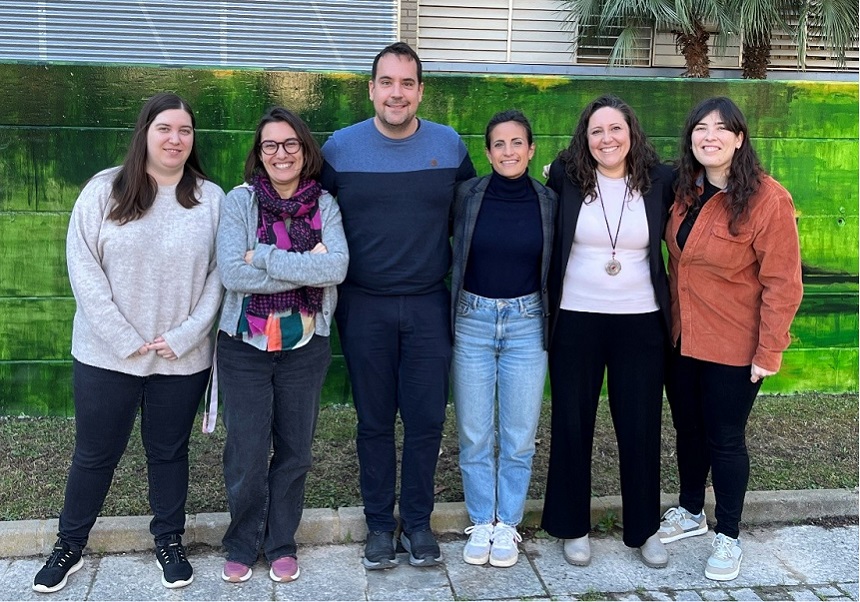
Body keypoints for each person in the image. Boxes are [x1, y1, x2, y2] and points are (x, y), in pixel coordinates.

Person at [32, 93, 224, 593]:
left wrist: (185, 336)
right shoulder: (104, 190)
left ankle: (169, 540)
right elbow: (83, 267)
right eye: (165, 128)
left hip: (180, 359)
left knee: (169, 453)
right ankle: (69, 545)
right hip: (105, 355)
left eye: (185, 130)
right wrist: (123, 337)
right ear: (145, 132)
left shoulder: (211, 199)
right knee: (94, 455)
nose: (175, 139)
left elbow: (219, 276)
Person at [320, 41, 476, 569]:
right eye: (387, 82)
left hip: (430, 304)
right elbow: (313, 216)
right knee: (374, 421)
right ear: (371, 89)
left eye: (407, 83)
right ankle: (380, 527)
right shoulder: (339, 150)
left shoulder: (449, 146)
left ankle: (418, 523)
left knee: (427, 420)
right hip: (363, 306)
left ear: (420, 91)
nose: (397, 93)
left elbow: (470, 217)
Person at [657, 96, 802, 581]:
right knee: (688, 430)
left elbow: (783, 283)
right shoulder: (685, 190)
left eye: (721, 128)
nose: (710, 136)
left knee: (724, 438)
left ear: (739, 138)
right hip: (682, 338)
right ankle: (690, 511)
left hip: (734, 345)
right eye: (701, 127)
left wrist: (769, 351)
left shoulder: (768, 199)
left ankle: (729, 535)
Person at [540, 94, 674, 569]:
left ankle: (644, 529)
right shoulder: (566, 176)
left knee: (640, 426)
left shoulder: (661, 180)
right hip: (576, 318)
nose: (607, 139)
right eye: (596, 131)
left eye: (615, 128)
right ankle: (572, 526)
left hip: (640, 321)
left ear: (631, 132)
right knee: (572, 422)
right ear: (585, 137)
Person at [215, 106, 348, 584]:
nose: (281, 153)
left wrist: (265, 256)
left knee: (295, 452)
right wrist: (304, 262)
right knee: (247, 452)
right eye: (270, 145)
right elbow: (233, 273)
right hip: (244, 347)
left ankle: (281, 543)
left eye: (290, 143)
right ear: (259, 153)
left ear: (305, 150)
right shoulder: (240, 202)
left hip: (305, 348)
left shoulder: (324, 204)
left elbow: (336, 268)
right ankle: (242, 542)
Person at [450, 110, 556, 568]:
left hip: (527, 322)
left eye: (517, 143)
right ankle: (481, 520)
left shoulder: (549, 201)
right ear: (487, 151)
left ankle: (507, 522)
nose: (508, 151)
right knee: (474, 433)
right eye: (499, 144)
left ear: (531, 150)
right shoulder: (466, 196)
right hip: (472, 319)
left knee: (518, 435)